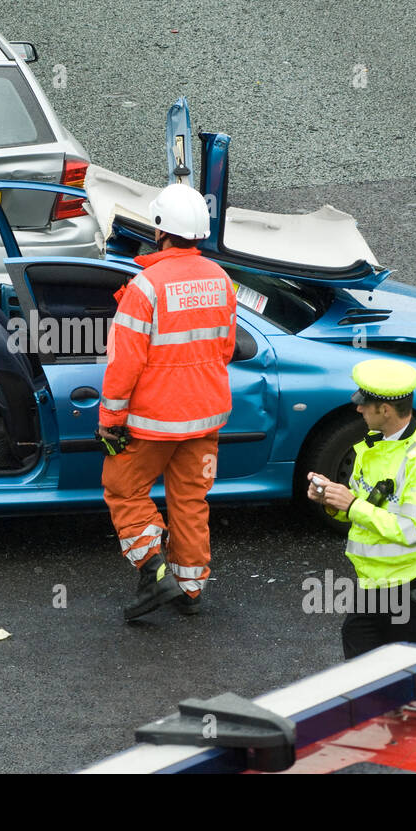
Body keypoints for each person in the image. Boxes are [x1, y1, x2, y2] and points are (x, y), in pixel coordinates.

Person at [98, 183, 237, 620]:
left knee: (123, 489)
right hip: (206, 417)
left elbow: (123, 364)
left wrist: (110, 419)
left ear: (160, 230)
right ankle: (191, 589)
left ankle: (155, 571)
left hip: (154, 421)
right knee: (191, 501)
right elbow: (225, 348)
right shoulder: (221, 280)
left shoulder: (145, 287)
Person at [306, 358, 416, 659]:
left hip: (411, 594)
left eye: (365, 404)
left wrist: (353, 505)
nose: (358, 409)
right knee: (364, 675)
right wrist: (333, 501)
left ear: (385, 410)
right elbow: (366, 507)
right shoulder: (374, 446)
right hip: (374, 586)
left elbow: (415, 531)